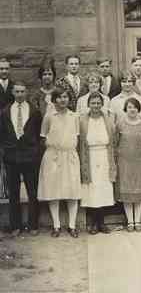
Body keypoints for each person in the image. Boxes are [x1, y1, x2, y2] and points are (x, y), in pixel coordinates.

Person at [37, 87, 81, 238]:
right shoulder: (49, 116)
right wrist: (53, 149)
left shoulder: (74, 116)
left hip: (70, 156)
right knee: (53, 191)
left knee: (72, 192)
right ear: (54, 99)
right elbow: (43, 137)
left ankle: (72, 226)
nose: (63, 100)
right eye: (60, 97)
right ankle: (56, 226)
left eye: (65, 97)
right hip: (53, 157)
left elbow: (77, 137)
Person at [0, 81, 42, 237]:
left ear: (26, 92)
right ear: (12, 93)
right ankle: (15, 226)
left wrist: (34, 150)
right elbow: (2, 134)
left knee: (33, 191)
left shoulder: (34, 111)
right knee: (13, 192)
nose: (19, 94)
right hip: (12, 157)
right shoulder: (5, 112)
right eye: (17, 91)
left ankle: (33, 225)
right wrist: (6, 151)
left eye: (22, 91)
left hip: (30, 156)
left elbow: (38, 134)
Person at [79, 92, 116, 235]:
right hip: (90, 157)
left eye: (98, 103)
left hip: (104, 156)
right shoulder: (83, 120)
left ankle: (102, 223)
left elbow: (113, 139)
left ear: (102, 104)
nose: (96, 106)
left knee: (103, 188)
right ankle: (93, 223)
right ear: (88, 104)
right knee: (92, 190)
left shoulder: (107, 119)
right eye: (93, 103)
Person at [115, 97, 141, 232]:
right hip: (124, 162)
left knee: (139, 190)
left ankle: (138, 220)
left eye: (135, 107)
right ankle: (130, 221)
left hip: (139, 161)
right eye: (129, 107)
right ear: (126, 109)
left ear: (138, 109)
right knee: (127, 191)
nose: (132, 109)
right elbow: (116, 142)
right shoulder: (120, 124)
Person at [0, 57, 14, 199]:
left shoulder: (14, 87)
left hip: (10, 129)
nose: (4, 71)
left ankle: (9, 189)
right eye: (1, 68)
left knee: (10, 160)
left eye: (6, 68)